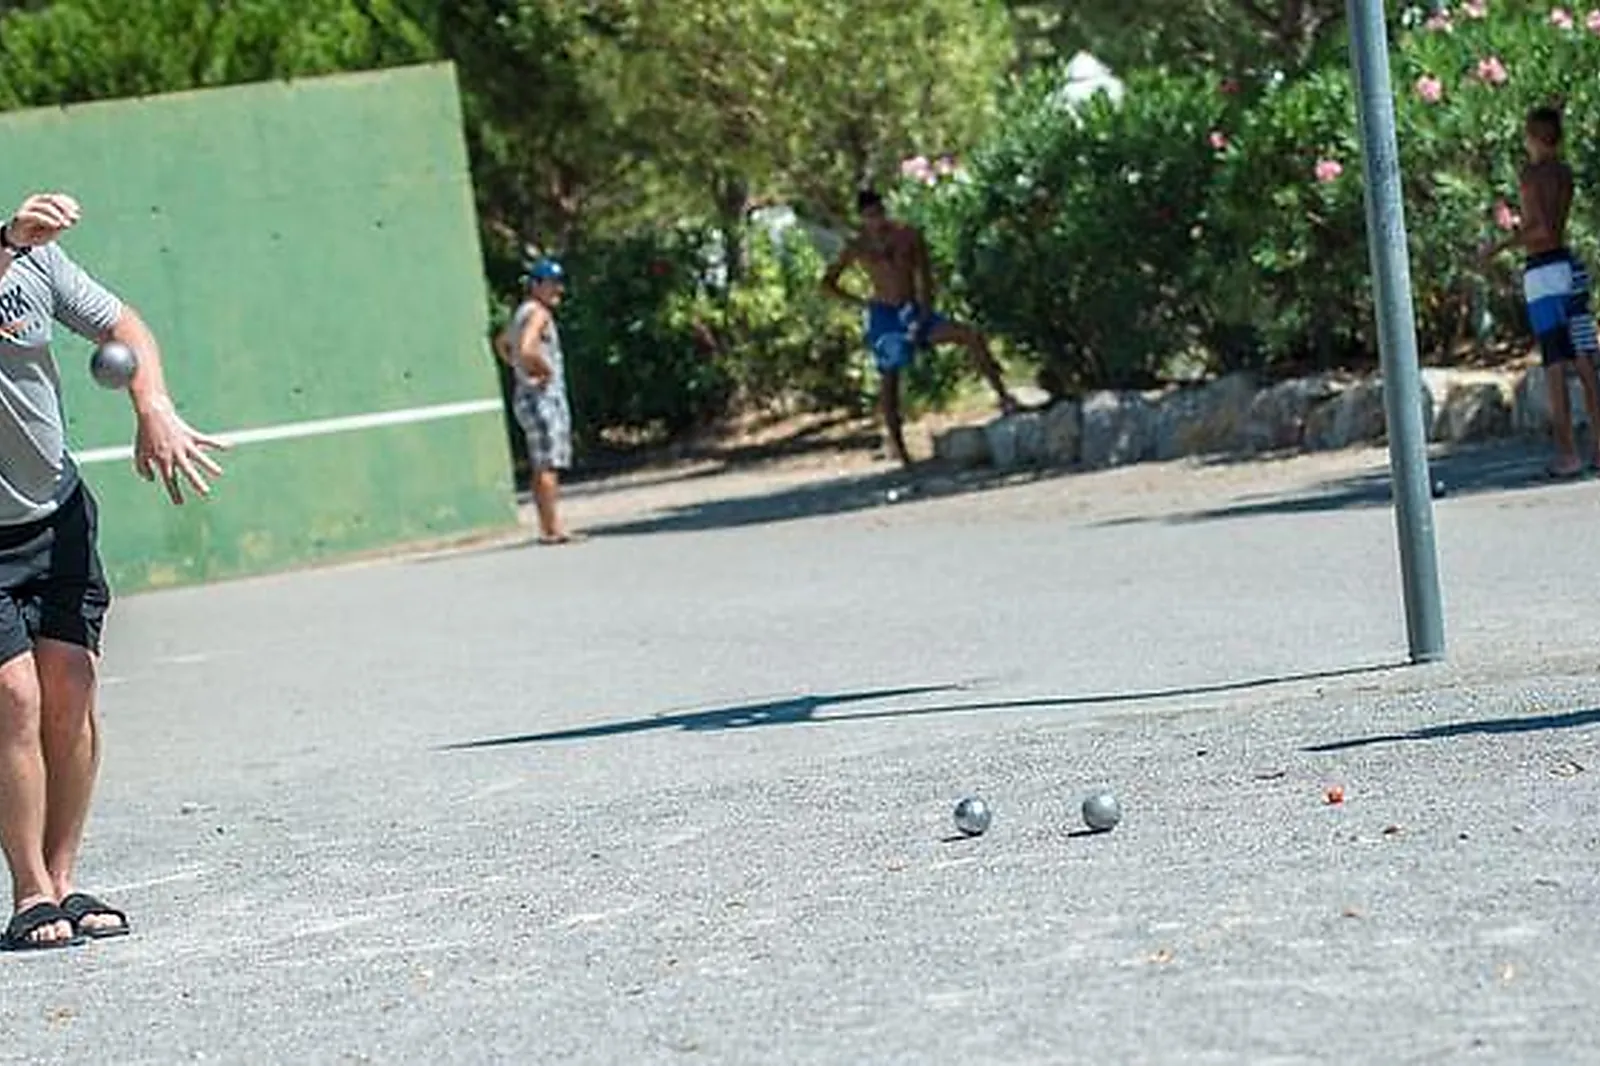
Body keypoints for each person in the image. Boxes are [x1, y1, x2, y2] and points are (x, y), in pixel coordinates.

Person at [0, 193, 224, 950]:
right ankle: (29, 890)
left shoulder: (40, 265)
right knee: (14, 696)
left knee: (70, 689)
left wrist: (151, 402)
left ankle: (63, 880)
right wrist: (7, 240)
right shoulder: (15, 247)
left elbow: (124, 327)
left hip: (55, 515)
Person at [822, 187, 1018, 465]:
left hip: (912, 308)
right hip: (884, 314)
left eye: (879, 213)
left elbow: (924, 276)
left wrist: (923, 314)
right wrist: (861, 302)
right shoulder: (857, 246)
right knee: (889, 378)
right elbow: (828, 283)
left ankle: (1003, 397)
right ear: (862, 218)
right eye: (870, 216)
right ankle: (900, 448)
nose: (876, 221)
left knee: (969, 336)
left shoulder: (907, 235)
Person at [1483, 105, 1600, 478]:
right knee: (1584, 359)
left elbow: (1541, 229)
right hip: (1567, 267)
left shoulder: (1532, 176)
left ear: (1532, 138)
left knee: (1554, 362)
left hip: (1543, 272)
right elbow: (1554, 227)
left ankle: (1567, 453)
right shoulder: (1564, 174)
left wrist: (1500, 246)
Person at [496, 258, 576, 544]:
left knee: (541, 462)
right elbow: (527, 347)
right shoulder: (539, 313)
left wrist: (517, 368)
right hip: (542, 397)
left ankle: (547, 526)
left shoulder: (522, 312)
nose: (558, 289)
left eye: (558, 283)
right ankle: (553, 529)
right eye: (551, 284)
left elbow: (503, 343)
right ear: (536, 285)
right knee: (548, 464)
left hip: (526, 396)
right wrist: (544, 371)